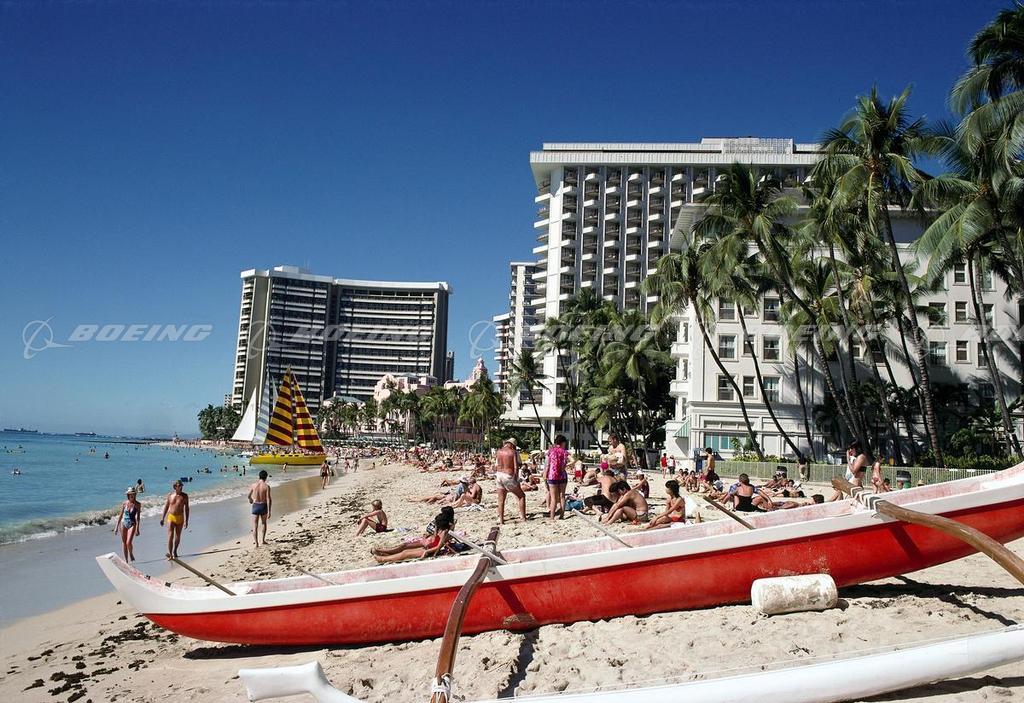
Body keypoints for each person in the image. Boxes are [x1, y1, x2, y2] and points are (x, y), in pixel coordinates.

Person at [372, 508, 455, 563]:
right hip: (428, 548)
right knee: (405, 551)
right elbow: (435, 537)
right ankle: (385, 556)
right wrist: (436, 528)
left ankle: (383, 559)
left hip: (429, 551)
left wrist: (429, 553)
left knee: (405, 554)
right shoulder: (441, 530)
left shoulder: (445, 532)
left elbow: (438, 547)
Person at [495, 438, 527, 523]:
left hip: (499, 475)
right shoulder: (513, 452)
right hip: (508, 475)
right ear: (512, 445)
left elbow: (496, 465)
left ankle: (501, 519)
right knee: (521, 496)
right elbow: (516, 467)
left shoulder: (499, 451)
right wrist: (515, 478)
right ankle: (523, 517)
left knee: (501, 499)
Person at [159, 480, 189, 559]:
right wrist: (162, 518)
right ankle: (170, 554)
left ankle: (175, 550)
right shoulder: (170, 495)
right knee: (170, 536)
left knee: (178, 536)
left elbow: (187, 509)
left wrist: (186, 521)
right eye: (179, 486)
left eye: (181, 486)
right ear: (175, 487)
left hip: (180, 518)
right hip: (171, 517)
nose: (181, 487)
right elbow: (166, 506)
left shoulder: (185, 496)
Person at [114, 487, 142, 562]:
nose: (132, 495)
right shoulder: (124, 503)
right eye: (130, 494)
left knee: (128, 542)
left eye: (133, 494)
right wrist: (116, 527)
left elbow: (138, 517)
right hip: (123, 523)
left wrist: (137, 529)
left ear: (135, 494)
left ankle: (131, 553)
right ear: (128, 495)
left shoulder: (138, 504)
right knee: (124, 543)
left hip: (132, 524)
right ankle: (126, 561)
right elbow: (120, 515)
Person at [546, 434, 570, 519]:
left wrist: (545, 474)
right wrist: (565, 465)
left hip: (552, 475)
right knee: (562, 496)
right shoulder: (564, 452)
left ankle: (552, 517)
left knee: (553, 498)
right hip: (562, 475)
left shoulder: (551, 451)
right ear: (563, 442)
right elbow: (568, 463)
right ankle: (562, 515)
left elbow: (548, 464)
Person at [248, 469, 272, 547]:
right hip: (263, 506)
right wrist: (269, 510)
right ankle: (263, 540)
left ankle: (256, 543)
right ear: (266, 477)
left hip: (255, 505)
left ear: (259, 476)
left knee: (255, 525)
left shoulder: (253, 485)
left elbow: (248, 495)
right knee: (264, 523)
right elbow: (268, 499)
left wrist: (251, 500)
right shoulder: (266, 486)